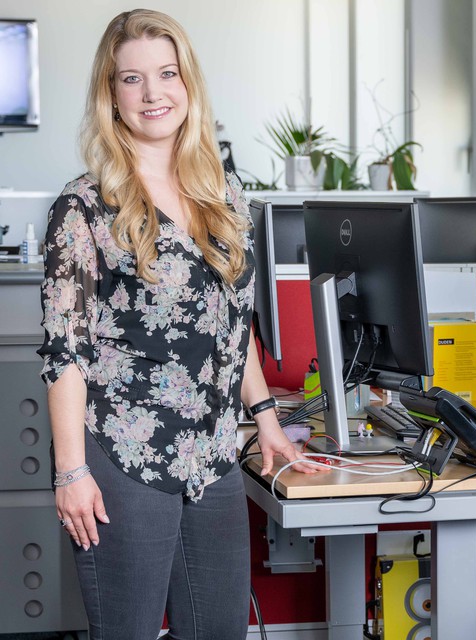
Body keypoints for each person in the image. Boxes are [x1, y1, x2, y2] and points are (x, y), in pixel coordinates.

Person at [38, 10, 320, 639]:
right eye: (131, 79)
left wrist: (267, 419)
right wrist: (70, 472)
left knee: (220, 631)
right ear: (111, 96)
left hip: (213, 458)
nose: (152, 93)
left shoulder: (225, 196)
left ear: (188, 83)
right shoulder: (83, 207)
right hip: (122, 457)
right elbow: (66, 354)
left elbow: (231, 322)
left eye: (166, 74)